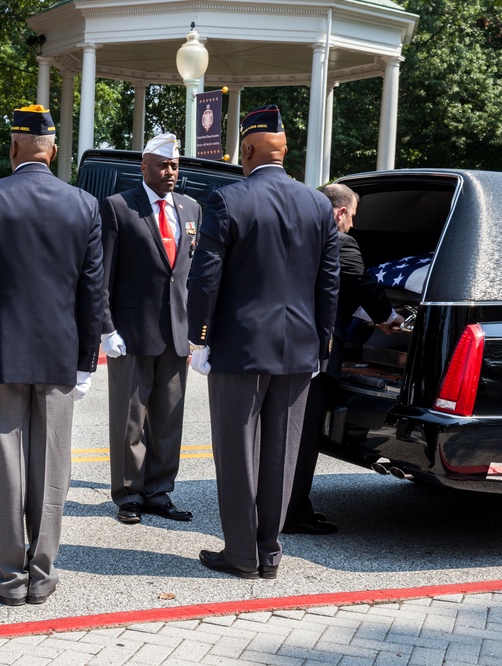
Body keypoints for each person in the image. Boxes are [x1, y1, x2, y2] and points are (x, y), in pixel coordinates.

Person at [0, 104, 103, 606]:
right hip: (60, 352)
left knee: (5, 462)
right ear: (53, 150)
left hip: (2, 349)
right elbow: (91, 292)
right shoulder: (83, 204)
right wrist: (87, 359)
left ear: (14, 147)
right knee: (52, 464)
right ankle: (41, 575)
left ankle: (6, 577)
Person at [186, 105, 339, 580]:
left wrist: (200, 337)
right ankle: (269, 553)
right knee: (281, 453)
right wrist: (322, 345)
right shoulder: (318, 204)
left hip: (240, 346)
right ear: (285, 150)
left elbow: (204, 279)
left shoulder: (228, 199)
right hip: (300, 348)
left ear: (248, 149)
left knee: (237, 453)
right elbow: (328, 283)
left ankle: (240, 554)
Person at [283, 182, 402, 535]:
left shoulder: (291, 235)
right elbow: (361, 283)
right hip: (316, 353)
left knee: (282, 433)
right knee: (303, 439)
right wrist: (388, 316)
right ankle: (292, 514)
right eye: (351, 215)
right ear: (339, 213)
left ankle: (274, 505)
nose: (352, 223)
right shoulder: (339, 240)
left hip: (281, 347)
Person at [99, 133, 201, 525]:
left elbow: (190, 275)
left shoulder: (191, 209)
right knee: (130, 418)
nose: (170, 172)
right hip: (132, 331)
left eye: (175, 165)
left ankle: (159, 491)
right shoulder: (120, 207)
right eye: (163, 165)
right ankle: (128, 494)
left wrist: (200, 331)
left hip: (176, 331)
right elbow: (103, 274)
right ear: (144, 167)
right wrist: (106, 328)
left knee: (168, 417)